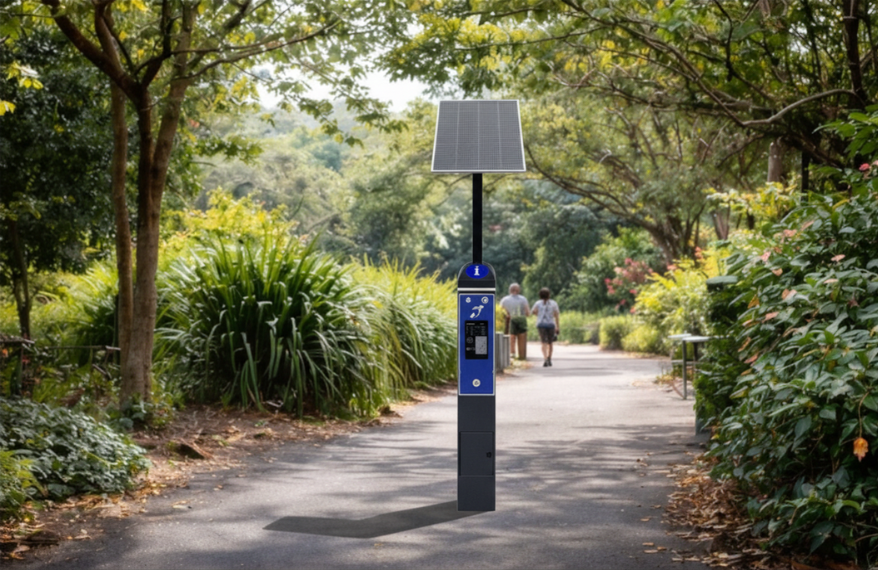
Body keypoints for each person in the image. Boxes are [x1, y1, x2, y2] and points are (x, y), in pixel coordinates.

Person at [500, 283, 530, 360]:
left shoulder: (504, 300)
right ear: (518, 290)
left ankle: (512, 353)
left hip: (509, 319)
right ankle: (522, 354)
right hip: (521, 319)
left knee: (511, 337)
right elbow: (527, 312)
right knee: (522, 337)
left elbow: (501, 312)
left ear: (510, 290)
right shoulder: (523, 299)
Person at [532, 287, 560, 367]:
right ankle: (549, 358)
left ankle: (545, 358)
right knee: (550, 343)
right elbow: (556, 315)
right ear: (549, 295)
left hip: (541, 324)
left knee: (543, 342)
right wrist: (557, 327)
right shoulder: (554, 303)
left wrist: (539, 315)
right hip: (551, 324)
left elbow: (533, 311)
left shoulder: (538, 303)